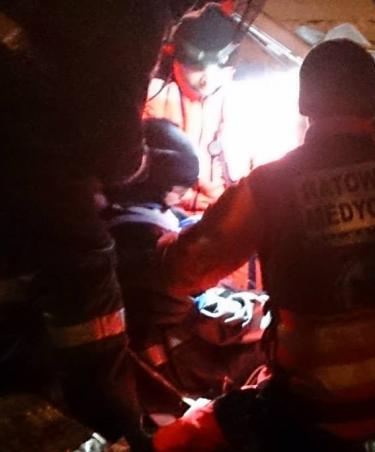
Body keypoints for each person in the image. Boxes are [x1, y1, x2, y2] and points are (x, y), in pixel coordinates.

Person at [152, 39, 375, 452]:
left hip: (309, 403)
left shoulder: (272, 184)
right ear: (373, 103)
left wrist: (163, 243)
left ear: (305, 104)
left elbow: (188, 272)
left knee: (173, 442)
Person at [0, 2, 194, 452]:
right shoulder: (138, 11)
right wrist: (140, 162)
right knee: (98, 371)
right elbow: (114, 151)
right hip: (49, 205)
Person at [103, 118, 266, 397]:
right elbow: (202, 315)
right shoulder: (141, 239)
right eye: (176, 191)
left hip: (164, 355)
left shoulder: (117, 224)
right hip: (174, 365)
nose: (179, 199)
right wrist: (262, 313)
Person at [145, 3, 241, 213]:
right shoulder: (152, 96)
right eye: (197, 67)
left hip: (222, 218)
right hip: (160, 212)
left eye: (217, 68)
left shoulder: (247, 105)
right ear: (177, 60)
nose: (207, 78)